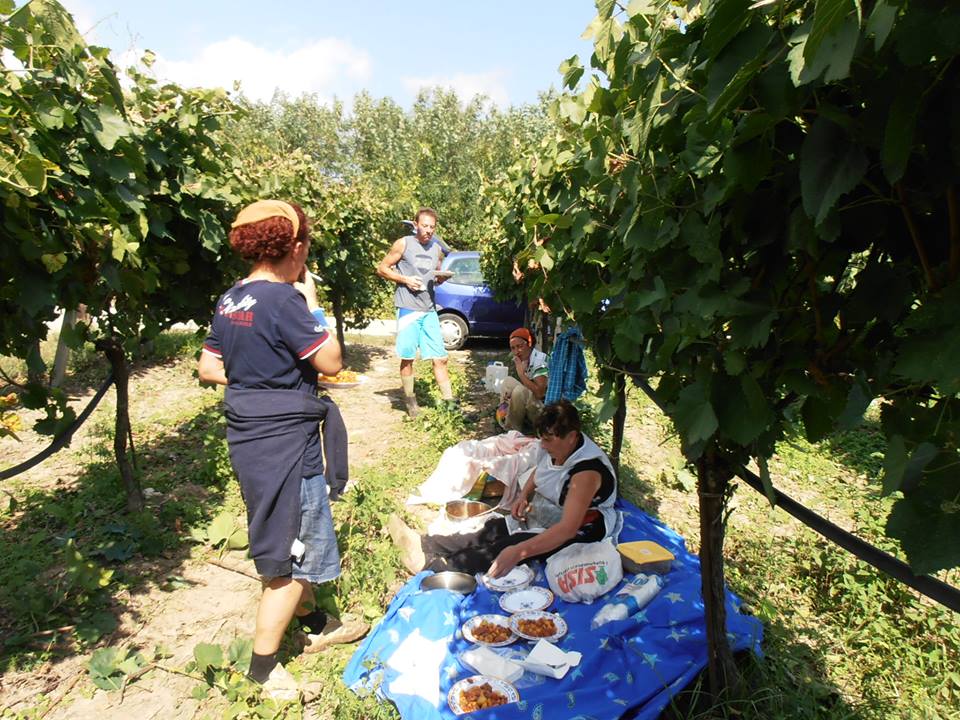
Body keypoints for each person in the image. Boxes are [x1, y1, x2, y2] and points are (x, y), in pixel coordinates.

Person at [198, 200, 365, 702]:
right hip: (285, 446)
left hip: (248, 440)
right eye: (306, 247)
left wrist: (258, 378)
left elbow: (210, 367)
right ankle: (263, 670)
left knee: (287, 533)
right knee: (290, 557)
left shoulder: (232, 299)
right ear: (294, 248)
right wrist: (311, 303)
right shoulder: (283, 300)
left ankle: (316, 621)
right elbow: (331, 362)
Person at [388, 400, 622, 578]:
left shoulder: (586, 474)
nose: (542, 445)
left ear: (571, 437)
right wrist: (523, 495)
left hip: (582, 527)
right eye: (542, 439)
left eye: (548, 441)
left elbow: (567, 530)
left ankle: (435, 567)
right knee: (494, 528)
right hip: (554, 512)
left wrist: (520, 552)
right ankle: (427, 544)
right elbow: (540, 471)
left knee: (508, 547)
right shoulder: (553, 445)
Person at [376, 207, 455, 418]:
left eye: (432, 227)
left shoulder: (436, 249)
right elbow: (382, 268)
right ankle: (410, 401)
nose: (428, 231)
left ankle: (450, 404)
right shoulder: (403, 244)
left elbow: (435, 276)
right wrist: (405, 280)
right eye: (425, 226)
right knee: (408, 357)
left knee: (440, 357)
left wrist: (441, 278)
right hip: (408, 308)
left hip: (429, 308)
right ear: (416, 224)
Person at [498, 327, 548, 432]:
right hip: (533, 403)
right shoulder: (526, 359)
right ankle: (506, 416)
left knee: (519, 391)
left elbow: (540, 393)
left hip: (545, 411)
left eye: (520, 346)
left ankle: (512, 431)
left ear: (529, 344)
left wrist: (521, 374)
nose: (517, 351)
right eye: (513, 348)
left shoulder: (539, 362)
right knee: (508, 381)